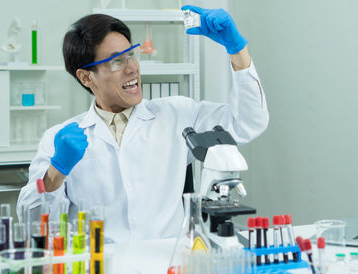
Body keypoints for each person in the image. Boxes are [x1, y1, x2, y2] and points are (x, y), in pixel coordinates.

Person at [17, 5, 269, 243]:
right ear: (85, 77)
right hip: (101, 270)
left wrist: (237, 50)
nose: (132, 69)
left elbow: (246, 122)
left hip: (166, 265)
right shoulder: (58, 139)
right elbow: (32, 224)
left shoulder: (177, 115)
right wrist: (56, 171)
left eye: (131, 55)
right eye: (117, 61)